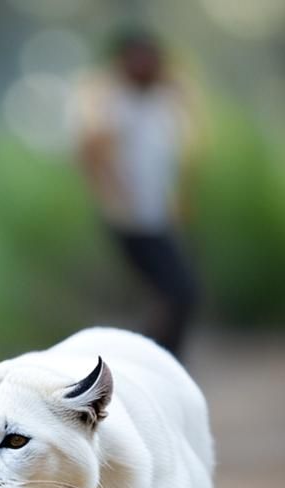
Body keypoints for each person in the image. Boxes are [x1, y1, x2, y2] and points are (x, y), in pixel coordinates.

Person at [76, 29, 199, 358]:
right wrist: (117, 192)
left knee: (173, 293)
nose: (145, 64)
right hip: (130, 220)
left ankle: (159, 360)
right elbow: (89, 151)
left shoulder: (161, 102)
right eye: (136, 57)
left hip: (158, 216)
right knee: (179, 290)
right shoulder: (114, 103)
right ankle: (155, 360)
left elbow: (185, 152)